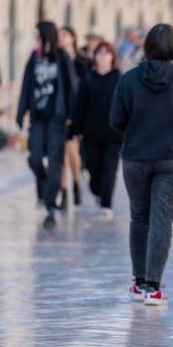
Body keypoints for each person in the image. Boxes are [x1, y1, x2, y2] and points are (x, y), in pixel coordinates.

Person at [110, 24, 173, 306]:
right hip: (170, 157)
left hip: (136, 157)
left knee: (139, 217)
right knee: (162, 219)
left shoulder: (129, 79)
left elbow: (116, 121)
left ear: (147, 46)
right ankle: (153, 285)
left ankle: (139, 282)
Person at [17, 21, 75, 230]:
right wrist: (20, 113)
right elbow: (26, 85)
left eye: (38, 34)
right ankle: (44, 189)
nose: (36, 37)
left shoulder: (62, 57)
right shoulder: (35, 56)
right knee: (34, 158)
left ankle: (50, 206)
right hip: (38, 118)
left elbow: (72, 87)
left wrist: (71, 115)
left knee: (55, 161)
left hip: (57, 119)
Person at [74, 42, 122, 218]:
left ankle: (106, 204)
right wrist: (76, 129)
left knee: (110, 169)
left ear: (112, 57)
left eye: (106, 53)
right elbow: (80, 106)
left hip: (114, 134)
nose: (102, 57)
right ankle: (98, 191)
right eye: (99, 53)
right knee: (92, 167)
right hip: (91, 132)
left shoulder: (119, 78)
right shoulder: (89, 78)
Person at [58, 26, 90, 209]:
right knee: (60, 153)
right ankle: (63, 191)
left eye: (65, 34)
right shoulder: (56, 58)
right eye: (59, 35)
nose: (61, 38)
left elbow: (87, 86)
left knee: (72, 151)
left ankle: (76, 182)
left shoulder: (82, 60)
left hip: (77, 110)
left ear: (73, 37)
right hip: (60, 110)